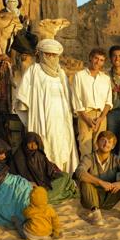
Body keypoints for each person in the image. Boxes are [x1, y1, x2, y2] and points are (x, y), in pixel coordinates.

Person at [14, 39, 79, 172]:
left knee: (61, 146)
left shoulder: (61, 73)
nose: (51, 58)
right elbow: (23, 96)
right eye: (48, 54)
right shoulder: (34, 70)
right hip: (41, 118)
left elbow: (68, 96)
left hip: (61, 120)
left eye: (54, 55)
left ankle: (60, 178)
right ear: (42, 55)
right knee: (44, 145)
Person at [10, 132, 78, 205]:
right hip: (30, 189)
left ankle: (48, 195)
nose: (33, 146)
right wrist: (29, 183)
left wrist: (55, 173)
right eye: (30, 143)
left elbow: (50, 170)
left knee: (65, 176)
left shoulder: (39, 154)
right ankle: (45, 198)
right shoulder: (18, 157)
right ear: (25, 143)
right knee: (37, 197)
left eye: (35, 143)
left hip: (44, 184)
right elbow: (13, 178)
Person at [72, 48, 113, 157]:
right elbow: (76, 99)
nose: (98, 62)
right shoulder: (79, 76)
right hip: (85, 115)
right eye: (96, 58)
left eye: (101, 60)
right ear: (90, 58)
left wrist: (100, 119)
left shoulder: (105, 79)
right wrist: (86, 119)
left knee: (100, 147)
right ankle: (85, 173)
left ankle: (97, 173)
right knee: (85, 148)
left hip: (101, 116)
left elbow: (108, 102)